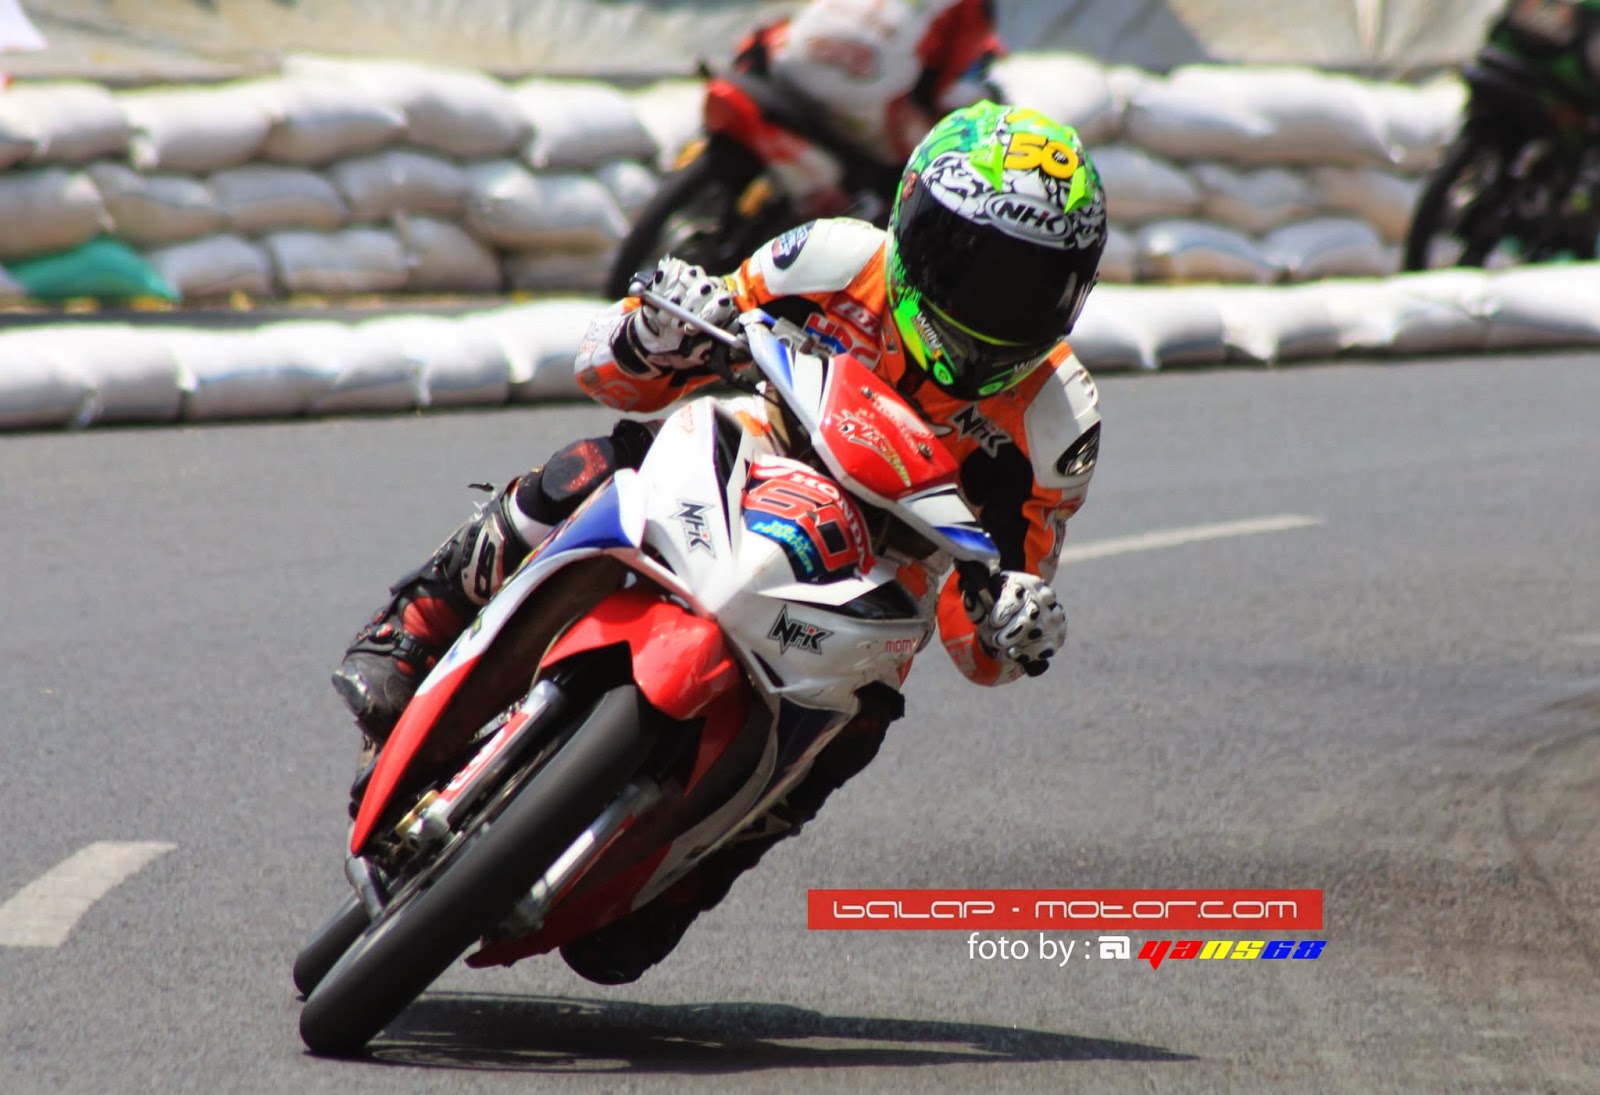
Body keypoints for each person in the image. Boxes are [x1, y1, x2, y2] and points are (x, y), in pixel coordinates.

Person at [333, 101, 1108, 985]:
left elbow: (986, 634)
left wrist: (1012, 621)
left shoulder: (1059, 419)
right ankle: (419, 618)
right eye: (966, 263)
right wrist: (655, 331)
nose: (985, 304)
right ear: (910, 223)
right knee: (594, 466)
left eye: (1026, 286)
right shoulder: (831, 258)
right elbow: (617, 369)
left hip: (881, 567)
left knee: (856, 725)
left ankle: (691, 873)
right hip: (756, 450)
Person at [727, 0, 1005, 215]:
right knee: (923, 167)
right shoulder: (974, 11)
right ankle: (862, 220)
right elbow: (943, 88)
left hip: (786, 59)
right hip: (858, 94)